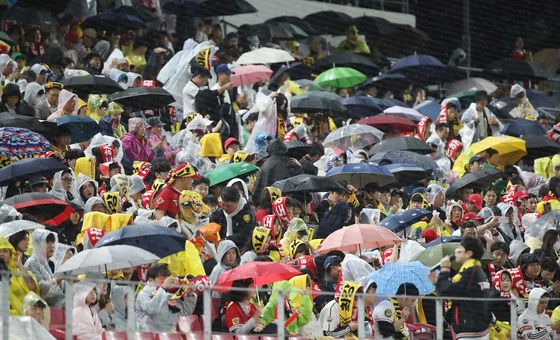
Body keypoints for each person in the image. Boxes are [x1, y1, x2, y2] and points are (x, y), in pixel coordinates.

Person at [429, 237, 492, 339]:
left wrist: (445, 269)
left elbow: (447, 292)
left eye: (459, 251)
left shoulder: (470, 273)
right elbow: (456, 292)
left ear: (468, 254)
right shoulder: (477, 271)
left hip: (469, 330)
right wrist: (437, 282)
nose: (455, 253)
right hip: (477, 329)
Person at [136, 264, 197, 332]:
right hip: (146, 334)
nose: (165, 281)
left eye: (166, 278)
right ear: (151, 279)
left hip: (167, 334)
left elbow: (184, 313)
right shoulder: (144, 293)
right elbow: (151, 309)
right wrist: (163, 287)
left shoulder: (167, 293)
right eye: (161, 278)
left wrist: (190, 295)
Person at [252, 139, 303, 205]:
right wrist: (299, 167)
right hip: (281, 203)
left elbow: (257, 187)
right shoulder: (286, 163)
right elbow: (297, 182)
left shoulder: (265, 164)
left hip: (264, 203)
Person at [24, 230, 65, 307]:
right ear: (38, 245)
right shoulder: (32, 263)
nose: (52, 245)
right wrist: (57, 279)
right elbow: (40, 290)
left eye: (53, 242)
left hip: (60, 308)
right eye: (47, 242)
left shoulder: (54, 263)